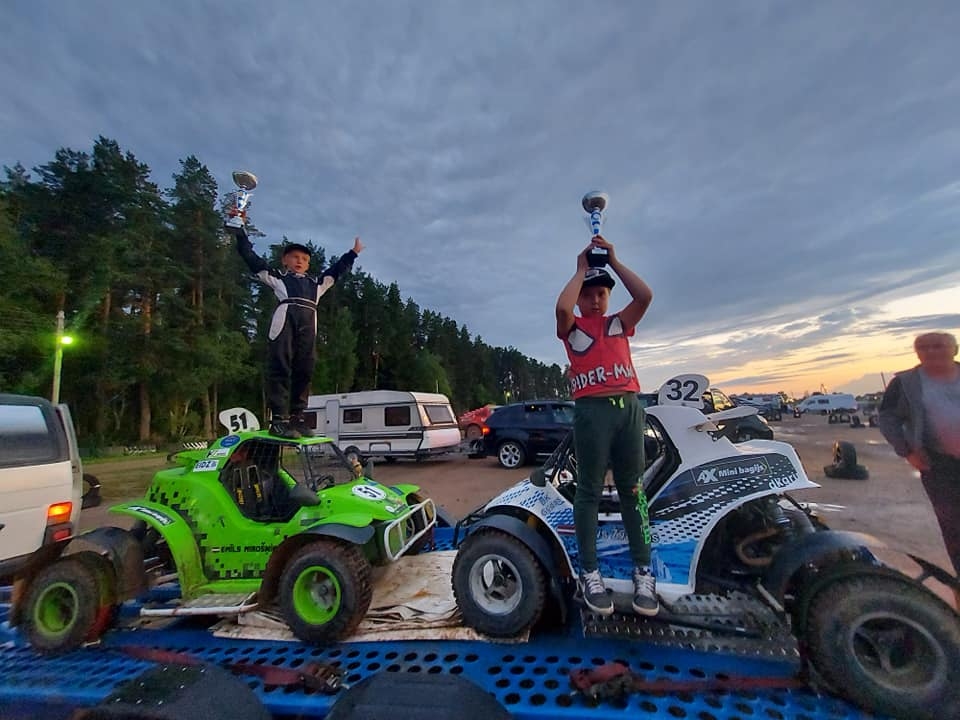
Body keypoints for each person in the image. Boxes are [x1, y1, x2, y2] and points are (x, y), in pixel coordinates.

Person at [555, 235, 657, 616]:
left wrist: (613, 260)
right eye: (589, 293)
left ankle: (643, 573)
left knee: (634, 489)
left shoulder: (619, 324)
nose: (595, 299)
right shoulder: (574, 329)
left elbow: (645, 296)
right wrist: (580, 270)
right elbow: (561, 309)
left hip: (629, 408)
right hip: (592, 412)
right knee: (589, 492)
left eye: (602, 294)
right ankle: (590, 573)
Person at [234, 225, 363, 438]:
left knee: (305, 371)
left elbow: (337, 270)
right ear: (285, 261)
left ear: (308, 264)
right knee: (280, 369)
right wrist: (240, 231)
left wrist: (353, 254)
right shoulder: (278, 279)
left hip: (308, 328)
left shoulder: (317, 285)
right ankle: (278, 420)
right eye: (294, 257)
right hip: (284, 322)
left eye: (304, 258)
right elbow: (250, 258)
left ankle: (298, 418)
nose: (299, 261)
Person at [879, 331, 960, 578]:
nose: (931, 352)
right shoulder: (905, 383)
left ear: (954, 349)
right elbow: (887, 418)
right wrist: (907, 451)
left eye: (938, 346)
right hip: (939, 464)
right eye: (924, 348)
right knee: (954, 526)